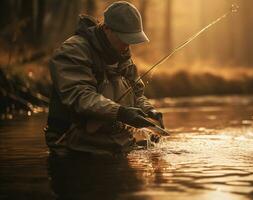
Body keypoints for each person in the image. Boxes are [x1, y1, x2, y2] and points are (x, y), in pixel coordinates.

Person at [44, 1, 164, 155]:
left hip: (114, 144)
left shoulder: (123, 55)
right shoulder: (72, 51)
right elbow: (81, 97)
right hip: (74, 148)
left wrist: (149, 111)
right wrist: (121, 113)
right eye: (124, 37)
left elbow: (136, 95)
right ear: (107, 28)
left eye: (131, 39)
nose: (127, 44)